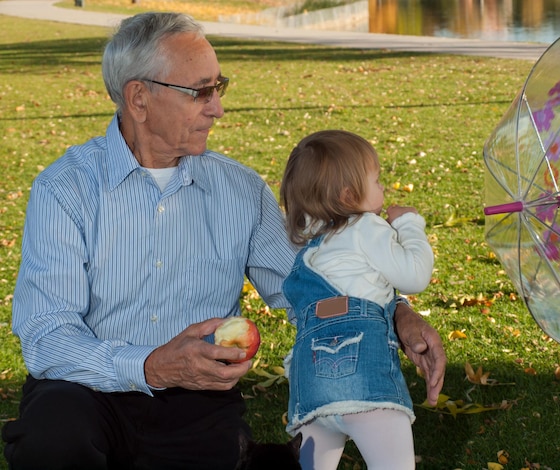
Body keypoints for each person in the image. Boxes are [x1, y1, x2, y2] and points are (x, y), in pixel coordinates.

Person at [2, 12, 445, 470]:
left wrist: (398, 315)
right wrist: (152, 365)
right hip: (85, 392)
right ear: (139, 98)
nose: (217, 108)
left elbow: (309, 283)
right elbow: (46, 338)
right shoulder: (65, 189)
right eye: (200, 92)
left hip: (198, 401)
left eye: (219, 87)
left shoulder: (241, 190)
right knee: (51, 442)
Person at [280, 130, 437, 470]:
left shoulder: (313, 247)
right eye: (377, 180)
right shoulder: (366, 227)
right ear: (349, 195)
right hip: (364, 386)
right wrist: (409, 225)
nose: (383, 187)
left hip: (311, 393)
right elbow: (415, 276)